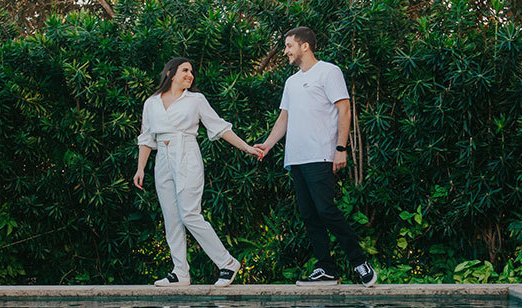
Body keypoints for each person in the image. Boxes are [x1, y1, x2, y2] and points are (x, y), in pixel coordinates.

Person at [253, 27, 377, 287]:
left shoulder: (329, 72)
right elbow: (284, 117)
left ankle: (359, 261)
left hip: (320, 154)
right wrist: (268, 144)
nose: (285, 51)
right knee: (309, 214)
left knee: (326, 210)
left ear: (305, 46)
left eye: (288, 46)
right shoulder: (292, 82)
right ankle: (326, 268)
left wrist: (340, 148)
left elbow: (344, 110)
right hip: (296, 158)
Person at [134, 57, 257, 286]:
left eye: (191, 71)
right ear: (170, 73)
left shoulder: (196, 100)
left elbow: (219, 127)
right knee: (171, 218)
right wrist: (140, 168)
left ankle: (227, 263)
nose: (190, 75)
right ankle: (180, 272)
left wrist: (247, 148)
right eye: (185, 70)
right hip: (162, 156)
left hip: (187, 154)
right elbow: (146, 137)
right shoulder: (151, 102)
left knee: (190, 214)